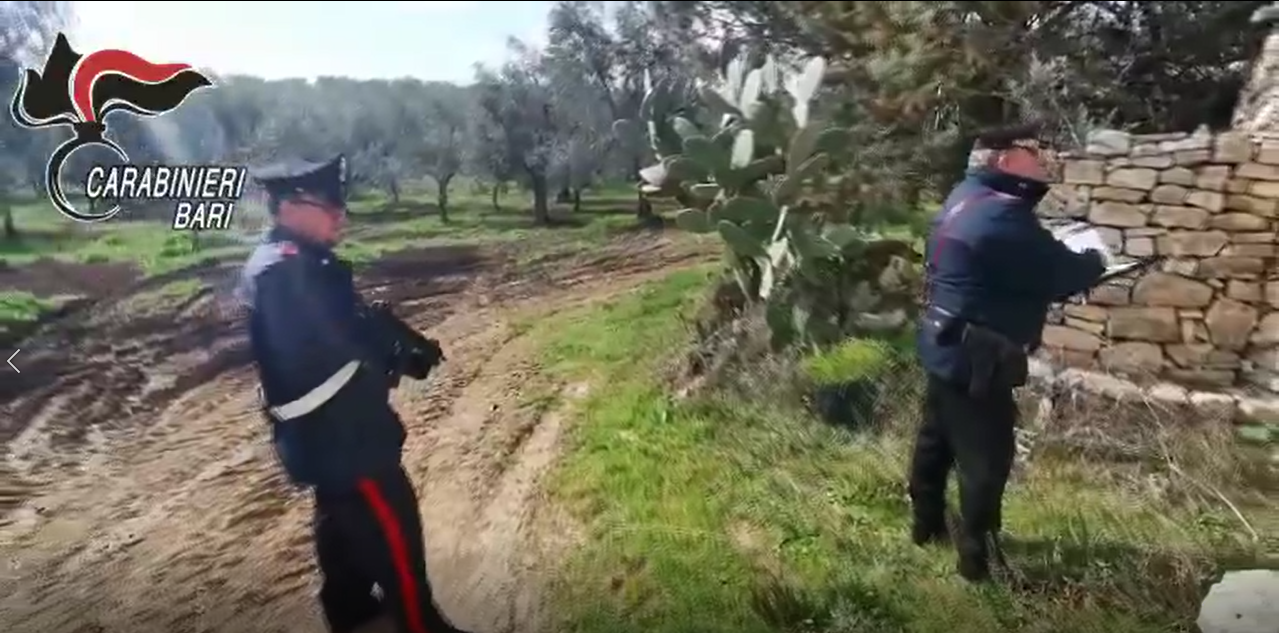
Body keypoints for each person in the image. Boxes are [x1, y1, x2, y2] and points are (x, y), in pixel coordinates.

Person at [236, 154, 471, 633]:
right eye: (327, 204)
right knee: (401, 566)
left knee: (347, 578)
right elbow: (320, 354)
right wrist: (390, 354)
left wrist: (388, 347)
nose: (339, 215)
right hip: (352, 448)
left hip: (330, 449)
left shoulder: (286, 262)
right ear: (288, 207)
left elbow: (330, 339)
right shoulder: (287, 270)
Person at [908, 124, 1107, 582]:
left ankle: (927, 528)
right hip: (980, 356)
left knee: (935, 442)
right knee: (986, 461)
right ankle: (978, 562)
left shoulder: (966, 195)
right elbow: (1063, 274)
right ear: (1005, 161)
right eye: (1031, 152)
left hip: (944, 341)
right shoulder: (1003, 217)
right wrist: (1093, 255)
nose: (1040, 159)